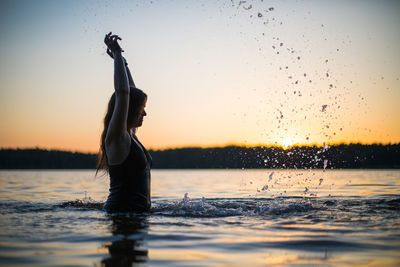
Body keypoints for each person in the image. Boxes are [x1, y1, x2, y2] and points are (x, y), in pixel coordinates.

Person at [96, 32, 152, 212]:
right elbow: (123, 93)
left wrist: (124, 63)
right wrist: (117, 55)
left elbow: (131, 90)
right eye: (141, 108)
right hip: (120, 214)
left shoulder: (129, 136)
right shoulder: (118, 138)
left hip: (135, 216)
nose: (145, 113)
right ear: (129, 109)